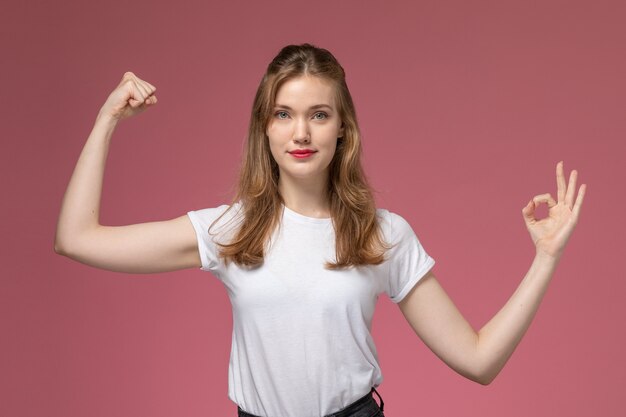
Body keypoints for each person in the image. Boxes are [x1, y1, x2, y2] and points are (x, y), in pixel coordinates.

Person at [54, 44, 587, 417]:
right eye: (284, 114)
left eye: (319, 114)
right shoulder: (231, 230)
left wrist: (546, 259)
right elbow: (76, 238)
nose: (301, 132)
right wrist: (106, 119)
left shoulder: (384, 235)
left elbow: (479, 360)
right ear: (265, 128)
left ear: (343, 128)